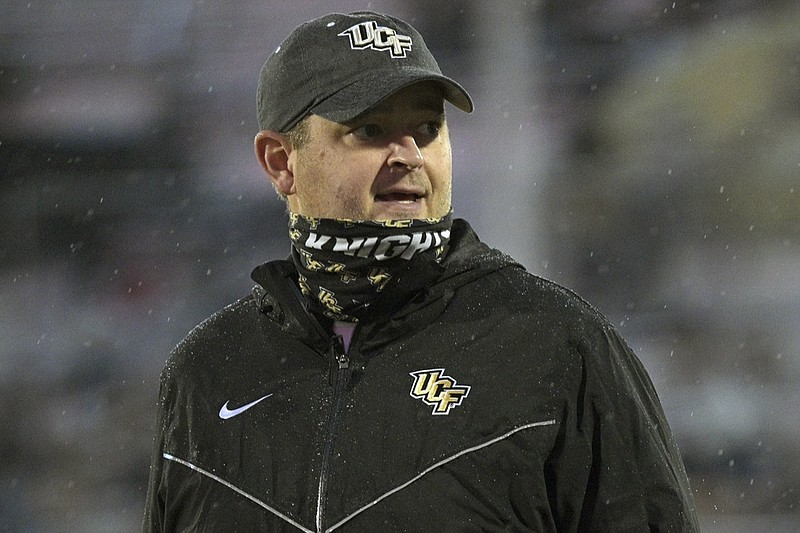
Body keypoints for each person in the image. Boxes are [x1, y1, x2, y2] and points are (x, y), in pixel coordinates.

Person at [144, 11, 700, 532]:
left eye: (429, 128)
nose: (409, 155)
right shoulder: (207, 371)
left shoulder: (557, 348)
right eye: (370, 130)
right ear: (281, 161)